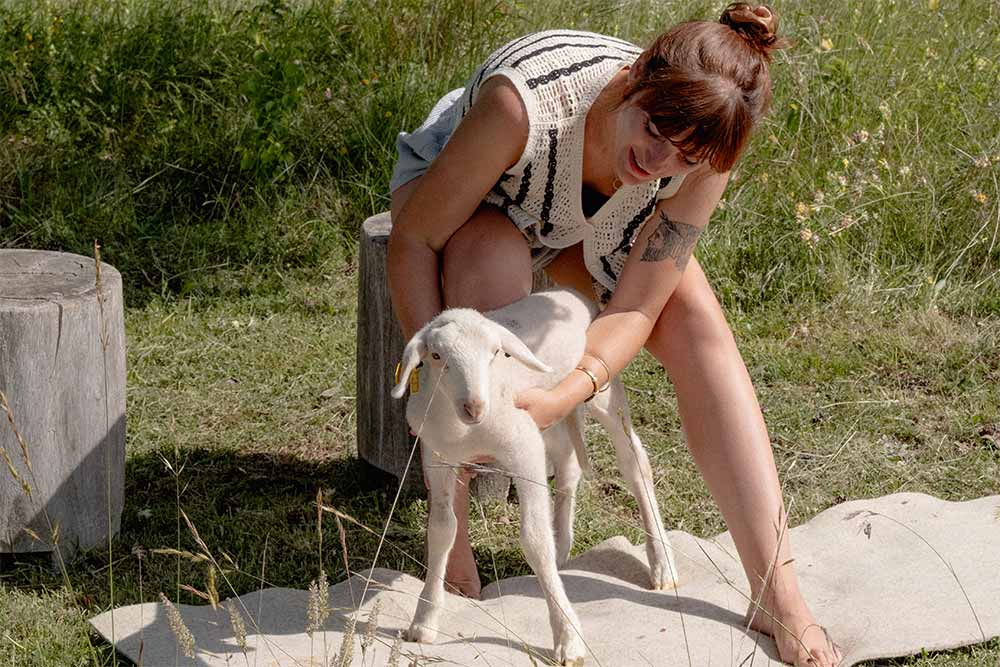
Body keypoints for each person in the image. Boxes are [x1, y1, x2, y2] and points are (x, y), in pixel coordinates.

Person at [385, 4, 842, 666]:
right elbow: (416, 238)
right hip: (478, 194)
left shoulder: (703, 147)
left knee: (699, 325)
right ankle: (450, 535)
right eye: (656, 130)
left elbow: (636, 308)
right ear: (633, 78)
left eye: (683, 156)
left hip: (587, 215)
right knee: (490, 289)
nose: (658, 161)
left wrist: (572, 388)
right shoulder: (525, 105)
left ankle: (781, 593)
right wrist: (427, 382)